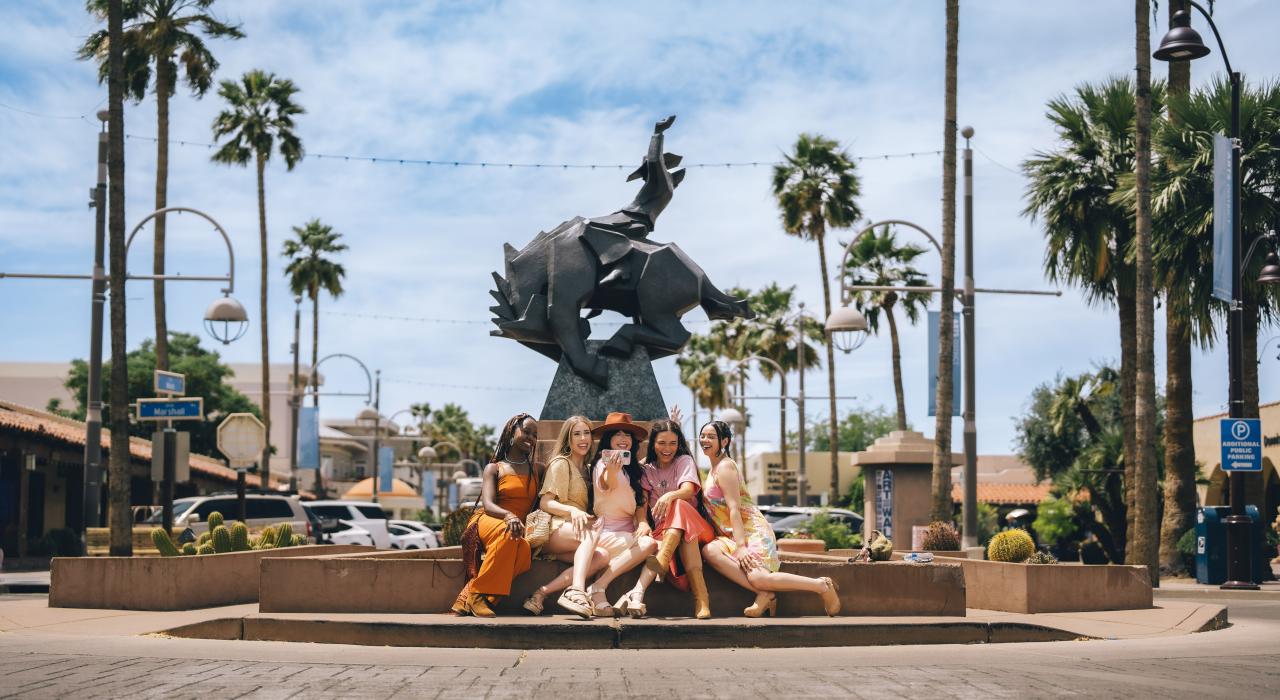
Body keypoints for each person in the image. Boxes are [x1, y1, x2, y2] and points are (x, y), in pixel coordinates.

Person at [699, 420, 841, 617]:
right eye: (703, 436)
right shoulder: (712, 470)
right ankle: (765, 595)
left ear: (724, 441)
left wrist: (741, 547)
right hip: (730, 534)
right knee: (710, 551)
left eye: (711, 436)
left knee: (758, 577)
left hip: (751, 531)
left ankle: (821, 585)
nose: (705, 440)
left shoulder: (725, 467)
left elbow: (734, 509)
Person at [613, 412, 716, 619]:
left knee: (679, 505)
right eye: (662, 443)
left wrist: (669, 495)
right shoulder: (646, 469)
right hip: (669, 533)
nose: (667, 449)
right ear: (653, 443)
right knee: (687, 538)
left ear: (679, 444)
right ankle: (702, 601)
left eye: (673, 443)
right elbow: (641, 502)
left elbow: (688, 490)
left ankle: (663, 558)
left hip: (699, 527)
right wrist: (642, 522)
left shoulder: (684, 460)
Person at [452, 413, 541, 617]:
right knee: (508, 532)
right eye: (526, 432)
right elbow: (489, 504)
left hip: (517, 528)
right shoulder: (494, 468)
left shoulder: (538, 470)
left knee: (524, 553)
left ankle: (472, 594)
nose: (530, 438)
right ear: (512, 432)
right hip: (491, 519)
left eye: (534, 435)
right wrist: (509, 516)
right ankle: (479, 598)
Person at [522, 416, 611, 618]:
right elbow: (546, 502)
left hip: (573, 534)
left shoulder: (588, 470)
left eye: (586, 433)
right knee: (590, 535)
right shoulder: (561, 463)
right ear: (568, 438)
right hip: (554, 529)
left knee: (602, 556)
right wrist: (573, 511)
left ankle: (540, 594)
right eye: (576, 434)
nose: (583, 438)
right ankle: (577, 590)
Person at [580, 412, 659, 616]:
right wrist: (611, 471)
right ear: (608, 440)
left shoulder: (633, 469)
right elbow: (607, 483)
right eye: (617, 434)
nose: (623, 439)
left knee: (658, 546)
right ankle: (598, 587)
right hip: (607, 533)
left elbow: (640, 502)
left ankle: (634, 594)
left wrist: (642, 522)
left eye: (628, 435)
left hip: (629, 533)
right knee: (651, 545)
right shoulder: (602, 465)